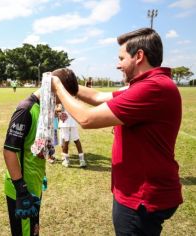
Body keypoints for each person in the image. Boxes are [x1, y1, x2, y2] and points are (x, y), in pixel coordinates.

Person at [52, 28, 183, 235]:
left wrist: (57, 87)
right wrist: (67, 83)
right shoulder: (144, 85)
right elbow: (97, 96)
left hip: (141, 197)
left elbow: (86, 119)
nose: (117, 64)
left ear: (139, 56)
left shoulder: (152, 88)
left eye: (121, 58)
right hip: (138, 192)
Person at [3, 68, 79, 236]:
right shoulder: (26, 109)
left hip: (34, 185)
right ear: (55, 87)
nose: (62, 102)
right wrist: (21, 190)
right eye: (63, 95)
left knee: (33, 231)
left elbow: (35, 147)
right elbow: (9, 151)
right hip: (22, 190)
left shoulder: (44, 110)